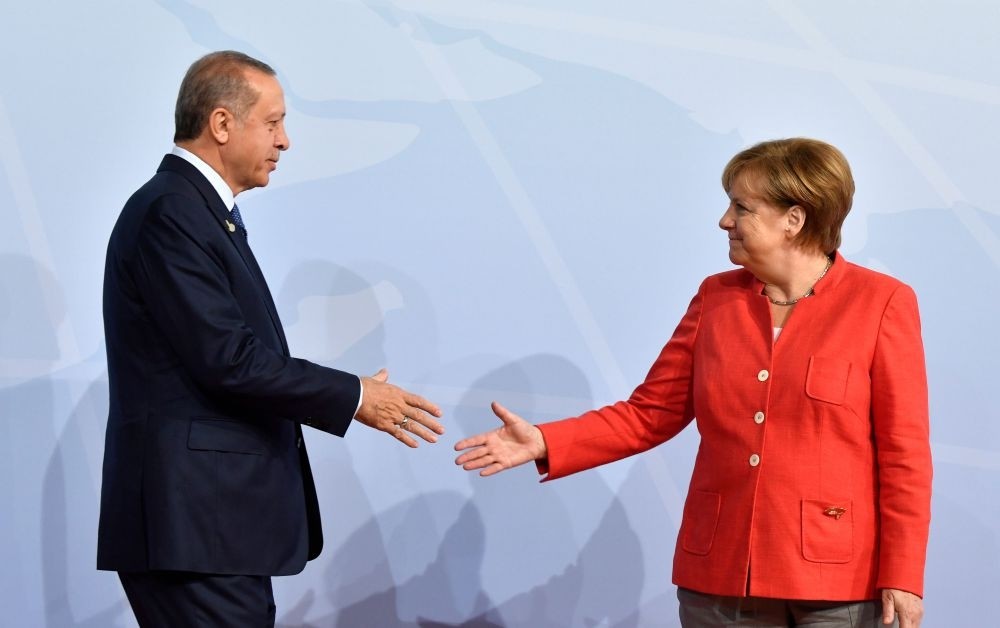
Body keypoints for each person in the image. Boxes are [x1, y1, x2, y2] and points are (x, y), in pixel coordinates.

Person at [455, 138, 931, 627]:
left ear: (795, 218)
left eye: (741, 207)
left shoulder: (882, 303)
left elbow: (904, 454)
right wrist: (545, 440)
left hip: (835, 583)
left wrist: (903, 573)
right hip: (718, 577)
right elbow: (650, 414)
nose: (725, 220)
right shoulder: (715, 299)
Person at [97, 50, 444, 627]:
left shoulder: (201, 212)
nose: (285, 142)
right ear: (222, 123)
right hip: (196, 527)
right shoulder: (172, 212)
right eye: (273, 122)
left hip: (212, 530)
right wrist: (354, 396)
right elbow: (228, 360)